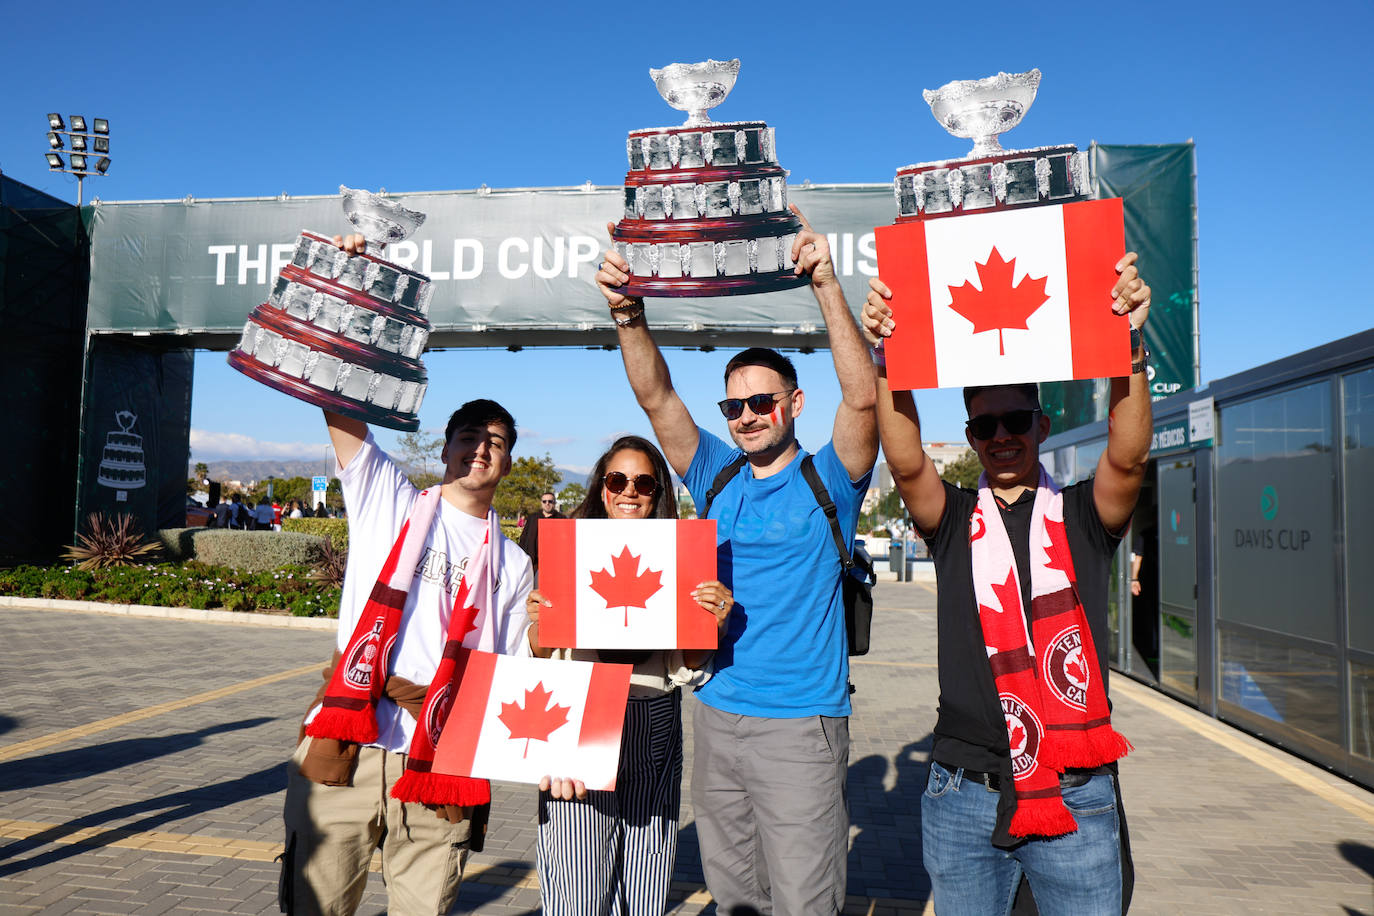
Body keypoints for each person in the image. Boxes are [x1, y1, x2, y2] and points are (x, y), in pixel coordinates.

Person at [595, 205, 878, 915]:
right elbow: (656, 396)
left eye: (762, 402)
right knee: (733, 899)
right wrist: (630, 315)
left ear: (793, 403)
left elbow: (864, 399)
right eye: (734, 405)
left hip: (801, 725)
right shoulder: (714, 474)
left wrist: (825, 285)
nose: (747, 415)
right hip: (715, 711)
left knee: (804, 899)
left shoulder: (829, 480)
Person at [861, 254, 1152, 916]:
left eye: (1015, 421)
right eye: (984, 426)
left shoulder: (1083, 513)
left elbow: (1129, 455)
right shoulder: (955, 518)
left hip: (1076, 786)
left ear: (1041, 427)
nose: (1000, 437)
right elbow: (906, 467)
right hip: (960, 793)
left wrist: (1129, 343)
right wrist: (887, 361)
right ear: (969, 436)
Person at [280, 232, 535, 916]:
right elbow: (339, 403)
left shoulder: (511, 560)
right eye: (470, 436)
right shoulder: (388, 499)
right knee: (316, 904)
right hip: (351, 735)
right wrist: (351, 282)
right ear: (445, 446)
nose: (481, 449)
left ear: (507, 462)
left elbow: (510, 665)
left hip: (442, 753)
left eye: (496, 442)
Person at [523, 436, 732, 916]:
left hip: (653, 718)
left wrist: (711, 624)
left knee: (645, 884)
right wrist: (538, 627)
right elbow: (540, 653)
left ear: (658, 492)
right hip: (580, 714)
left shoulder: (682, 554)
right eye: (617, 480)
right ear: (601, 488)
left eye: (643, 482)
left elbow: (692, 664)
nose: (629, 491)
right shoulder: (567, 549)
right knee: (576, 884)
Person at [517, 490, 563, 572]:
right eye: (544, 501)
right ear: (541, 503)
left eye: (550, 501)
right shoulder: (532, 518)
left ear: (554, 503)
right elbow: (523, 538)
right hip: (533, 562)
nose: (547, 503)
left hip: (554, 563)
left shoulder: (562, 519)